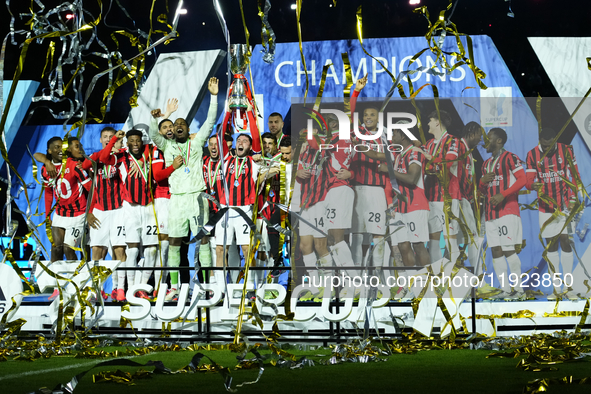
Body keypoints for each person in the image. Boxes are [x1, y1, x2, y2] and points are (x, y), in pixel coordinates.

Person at [148, 77, 219, 301]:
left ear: (188, 129)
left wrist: (214, 96)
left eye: (182, 124)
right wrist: (161, 117)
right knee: (174, 243)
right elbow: (152, 134)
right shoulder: (167, 145)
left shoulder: (196, 144)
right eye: (175, 125)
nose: (177, 126)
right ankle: (175, 288)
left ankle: (207, 285)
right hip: (177, 200)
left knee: (204, 241)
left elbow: (209, 120)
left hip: (197, 197)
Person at [100, 130, 170, 301]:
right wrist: (115, 138)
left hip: (148, 207)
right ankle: (129, 290)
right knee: (131, 252)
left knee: (152, 250)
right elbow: (103, 158)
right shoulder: (122, 156)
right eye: (132, 141)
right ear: (127, 143)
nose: (135, 143)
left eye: (138, 140)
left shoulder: (149, 152)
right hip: (130, 208)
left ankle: (141, 288)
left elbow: (158, 137)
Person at [525, 128, 581, 300]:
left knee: (565, 241)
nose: (547, 149)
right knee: (551, 245)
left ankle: (568, 288)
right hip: (545, 207)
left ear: (556, 140)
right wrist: (531, 185)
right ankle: (556, 289)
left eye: (551, 145)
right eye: (544, 145)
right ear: (540, 141)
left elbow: (575, 176)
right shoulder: (532, 155)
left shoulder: (567, 150)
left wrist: (574, 199)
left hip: (565, 204)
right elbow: (528, 181)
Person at [39, 137, 91, 299]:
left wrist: (92, 211)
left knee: (69, 249)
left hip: (79, 214)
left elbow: (90, 188)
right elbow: (48, 192)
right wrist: (48, 214)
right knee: (56, 249)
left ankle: (75, 286)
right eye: (56, 147)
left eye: (62, 147)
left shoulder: (74, 166)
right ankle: (58, 287)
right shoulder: (44, 169)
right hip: (60, 214)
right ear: (50, 151)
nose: (60, 150)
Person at [480, 128, 526, 299]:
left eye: (488, 137)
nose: (485, 140)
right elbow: (482, 190)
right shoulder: (486, 164)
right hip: (491, 213)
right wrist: (481, 181)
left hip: (507, 210)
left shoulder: (510, 157)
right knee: (496, 250)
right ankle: (506, 290)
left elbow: (522, 179)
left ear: (498, 141)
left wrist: (503, 194)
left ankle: (519, 290)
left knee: (508, 249)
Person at [85, 126, 127, 300]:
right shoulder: (96, 157)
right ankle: (97, 288)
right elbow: (91, 162)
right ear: (101, 140)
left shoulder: (122, 156)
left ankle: (119, 288)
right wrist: (88, 212)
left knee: (119, 249)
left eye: (112, 137)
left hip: (118, 210)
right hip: (99, 211)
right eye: (106, 137)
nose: (109, 139)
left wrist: (116, 145)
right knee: (97, 250)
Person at [385, 128, 431, 267]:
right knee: (403, 246)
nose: (392, 136)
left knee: (418, 245)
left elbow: (411, 178)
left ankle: (427, 284)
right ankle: (411, 284)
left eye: (395, 133)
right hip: (399, 207)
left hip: (415, 205)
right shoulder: (399, 156)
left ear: (403, 136)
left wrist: (389, 170)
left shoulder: (415, 153)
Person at [423, 110, 461, 264]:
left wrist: (430, 158)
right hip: (431, 197)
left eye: (430, 121)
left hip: (448, 197)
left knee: (450, 239)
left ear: (437, 122)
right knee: (433, 240)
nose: (428, 124)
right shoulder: (429, 144)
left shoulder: (453, 141)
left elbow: (448, 163)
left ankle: (454, 280)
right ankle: (437, 280)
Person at [456, 122, 484, 270]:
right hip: (459, 199)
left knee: (456, 239)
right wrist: (463, 196)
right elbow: (456, 175)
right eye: (479, 136)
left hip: (463, 199)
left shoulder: (468, 151)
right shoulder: (459, 148)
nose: (480, 140)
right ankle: (478, 278)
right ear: (472, 134)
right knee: (472, 237)